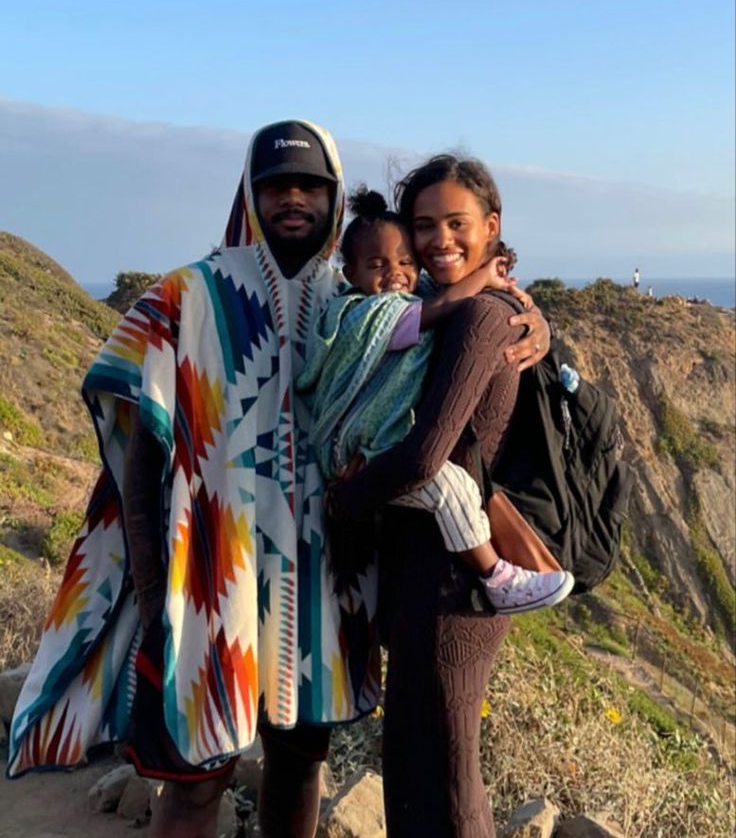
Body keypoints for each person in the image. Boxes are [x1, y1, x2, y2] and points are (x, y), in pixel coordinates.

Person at [8, 125, 551, 838]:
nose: (294, 199)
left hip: (322, 601)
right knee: (194, 789)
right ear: (249, 193)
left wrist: (532, 315)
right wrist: (150, 587)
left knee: (298, 773)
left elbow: (458, 324)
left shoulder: (354, 291)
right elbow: (140, 459)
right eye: (275, 186)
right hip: (206, 594)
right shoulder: (188, 298)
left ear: (333, 197)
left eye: (312, 187)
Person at [330, 154, 550, 838]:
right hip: (421, 570)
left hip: (452, 585)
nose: (438, 239)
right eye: (423, 225)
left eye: (457, 223)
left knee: (448, 776)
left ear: (491, 227)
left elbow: (427, 456)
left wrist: (340, 500)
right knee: (414, 763)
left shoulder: (480, 316)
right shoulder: (428, 307)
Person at [299, 187, 573, 614]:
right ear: (349, 273)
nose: (395, 274)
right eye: (377, 264)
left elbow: (442, 293)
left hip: (380, 452)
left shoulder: (411, 294)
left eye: (406, 262)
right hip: (355, 453)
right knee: (451, 487)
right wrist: (484, 276)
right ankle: (496, 576)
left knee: (446, 491)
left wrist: (534, 316)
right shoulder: (361, 314)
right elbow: (439, 307)